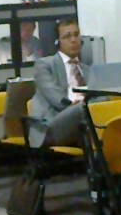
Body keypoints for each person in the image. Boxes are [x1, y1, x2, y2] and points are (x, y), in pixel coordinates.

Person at [31, 17, 89, 145]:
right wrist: (76, 105)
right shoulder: (44, 65)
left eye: (76, 35)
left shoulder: (88, 70)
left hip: (83, 122)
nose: (73, 40)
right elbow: (56, 98)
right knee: (84, 109)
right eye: (67, 36)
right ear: (58, 42)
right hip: (51, 124)